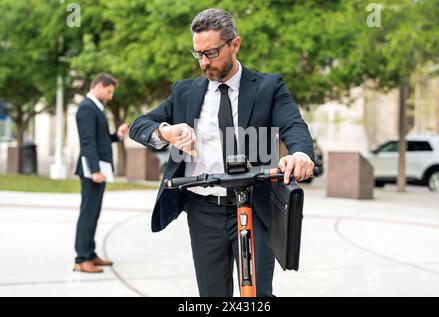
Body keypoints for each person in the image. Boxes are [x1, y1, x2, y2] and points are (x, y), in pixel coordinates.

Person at [129, 8, 315, 296]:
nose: (204, 62)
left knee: (257, 296)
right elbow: (139, 125)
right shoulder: (184, 92)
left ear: (235, 44)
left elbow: (293, 126)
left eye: (212, 53)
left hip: (255, 206)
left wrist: (301, 154)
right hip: (203, 211)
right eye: (198, 54)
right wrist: (166, 132)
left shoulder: (268, 86)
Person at [73, 73, 129, 273]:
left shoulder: (95, 108)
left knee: (94, 214)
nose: (110, 96)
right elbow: (87, 141)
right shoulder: (87, 108)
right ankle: (81, 259)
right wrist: (95, 170)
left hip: (97, 169)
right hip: (92, 171)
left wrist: (116, 136)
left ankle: (90, 253)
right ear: (98, 86)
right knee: (88, 214)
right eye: (109, 91)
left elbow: (100, 138)